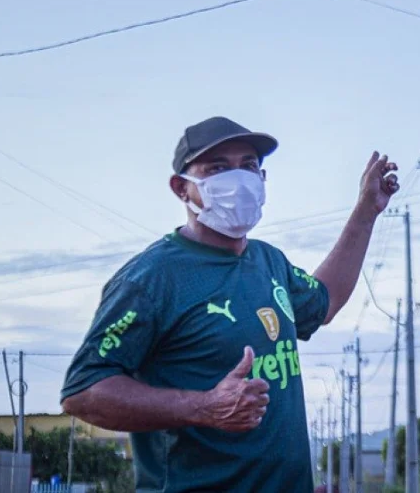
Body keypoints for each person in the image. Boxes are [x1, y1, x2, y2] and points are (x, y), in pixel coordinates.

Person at [60, 116, 399, 492]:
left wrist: (367, 211)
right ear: (182, 188)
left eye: (249, 166)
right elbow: (83, 392)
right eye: (218, 168)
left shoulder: (270, 263)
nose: (238, 180)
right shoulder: (152, 279)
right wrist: (204, 407)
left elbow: (326, 300)